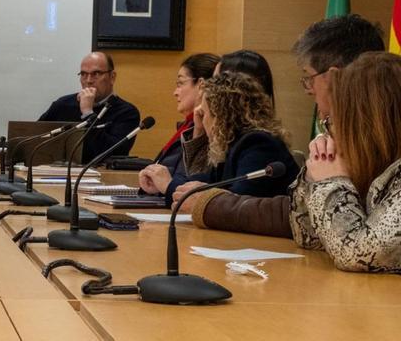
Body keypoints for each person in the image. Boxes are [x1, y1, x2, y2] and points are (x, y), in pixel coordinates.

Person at [181, 14, 386, 239]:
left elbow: (315, 222)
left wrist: (209, 205)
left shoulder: (378, 140)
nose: (308, 89)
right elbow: (299, 211)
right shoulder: (339, 134)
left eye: (309, 78)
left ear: (333, 78)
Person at [291, 52, 401, 271]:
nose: (329, 130)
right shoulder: (378, 166)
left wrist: (331, 184)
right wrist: (315, 174)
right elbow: (309, 237)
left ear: (365, 126)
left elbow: (357, 254)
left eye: (332, 121)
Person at [139, 72, 298, 206]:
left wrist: (168, 186)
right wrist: (162, 183)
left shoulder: (258, 144)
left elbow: (239, 203)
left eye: (205, 114)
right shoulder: (233, 144)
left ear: (221, 116)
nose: (202, 120)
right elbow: (205, 181)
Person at [39, 52, 140, 161]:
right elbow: (35, 138)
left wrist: (87, 112)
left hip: (102, 175)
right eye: (83, 74)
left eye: (96, 74)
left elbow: (111, 153)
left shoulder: (127, 112)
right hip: (56, 172)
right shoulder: (63, 104)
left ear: (112, 77)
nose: (88, 81)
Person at [152, 53, 220, 180]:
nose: (175, 93)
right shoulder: (186, 126)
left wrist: (197, 133)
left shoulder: (213, 130)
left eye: (180, 83)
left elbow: (188, 179)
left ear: (201, 85)